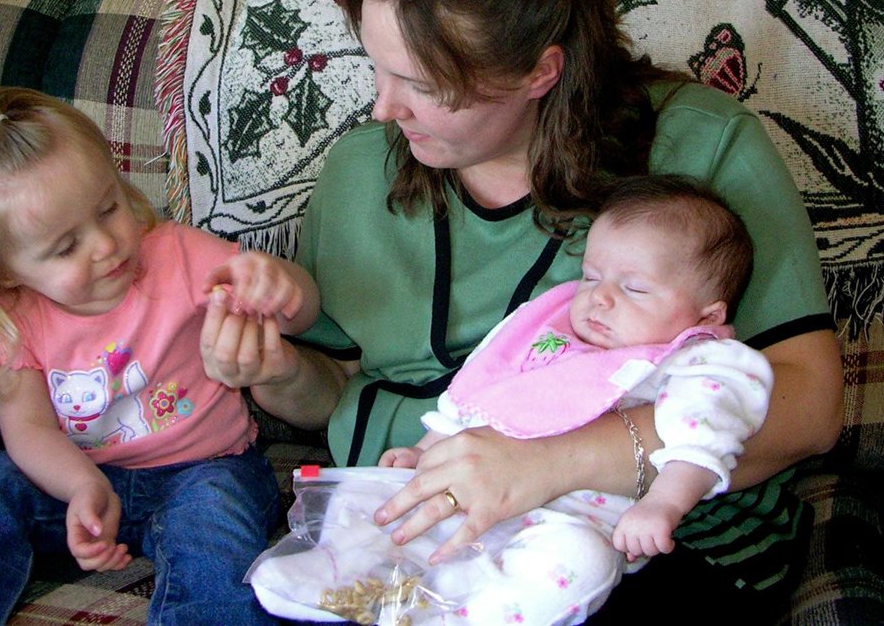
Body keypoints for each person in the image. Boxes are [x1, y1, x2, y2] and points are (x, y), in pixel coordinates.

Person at [199, 0, 844, 620]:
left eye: (421, 83)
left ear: (541, 70)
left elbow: (812, 406)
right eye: (377, 67)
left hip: (633, 535)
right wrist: (276, 371)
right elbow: (336, 392)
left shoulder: (703, 148)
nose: (383, 108)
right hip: (409, 529)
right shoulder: (356, 174)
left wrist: (546, 465)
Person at [0, 87, 319, 626]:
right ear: (1, 271)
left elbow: (301, 316)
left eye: (109, 208)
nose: (106, 245)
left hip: (208, 470)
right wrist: (81, 486)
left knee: (211, 526)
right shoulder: (6, 317)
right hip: (79, 480)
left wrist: (283, 287)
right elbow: (29, 431)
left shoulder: (181, 255)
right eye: (66, 246)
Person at [247, 175, 773, 625]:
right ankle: (335, 570)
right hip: (470, 492)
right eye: (592, 276)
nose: (600, 296)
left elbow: (704, 438)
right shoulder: (552, 333)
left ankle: (467, 612)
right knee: (371, 494)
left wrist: (664, 504)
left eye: (634, 288)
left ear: (707, 315)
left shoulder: (701, 362)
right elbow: (480, 397)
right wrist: (426, 450)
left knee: (581, 562)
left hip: (568, 520)